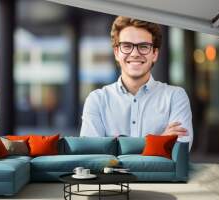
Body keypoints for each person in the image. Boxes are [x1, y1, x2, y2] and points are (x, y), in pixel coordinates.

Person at [80, 16, 193, 150]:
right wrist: (160, 140)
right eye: (127, 46)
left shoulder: (175, 97)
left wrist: (117, 147)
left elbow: (180, 148)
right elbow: (91, 152)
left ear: (155, 54)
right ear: (116, 53)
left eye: (143, 46)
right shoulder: (97, 100)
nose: (135, 53)